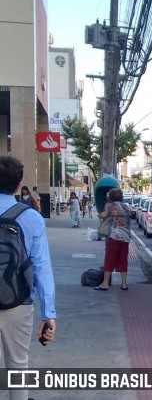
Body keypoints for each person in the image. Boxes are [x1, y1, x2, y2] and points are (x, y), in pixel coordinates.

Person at [0, 156, 56, 400]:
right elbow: (42, 267)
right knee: (18, 366)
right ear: (19, 183)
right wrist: (49, 315)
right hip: (18, 301)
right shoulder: (31, 217)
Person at [95, 188, 131, 291]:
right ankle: (124, 283)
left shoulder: (110, 205)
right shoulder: (125, 206)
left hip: (114, 236)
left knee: (110, 259)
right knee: (123, 259)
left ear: (110, 197)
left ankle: (105, 283)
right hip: (126, 237)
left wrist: (99, 213)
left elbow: (103, 215)